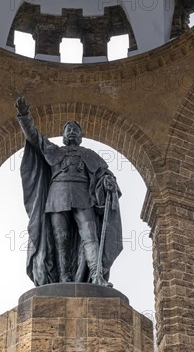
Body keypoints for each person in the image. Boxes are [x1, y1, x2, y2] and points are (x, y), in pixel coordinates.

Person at [15, 97, 122, 287]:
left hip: (83, 198)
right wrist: (24, 117)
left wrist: (109, 180)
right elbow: (34, 136)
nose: (72, 131)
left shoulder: (91, 155)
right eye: (68, 129)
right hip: (57, 198)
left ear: (80, 136)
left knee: (90, 235)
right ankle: (63, 279)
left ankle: (97, 276)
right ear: (64, 135)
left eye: (75, 129)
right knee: (60, 240)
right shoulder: (53, 150)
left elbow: (103, 173)